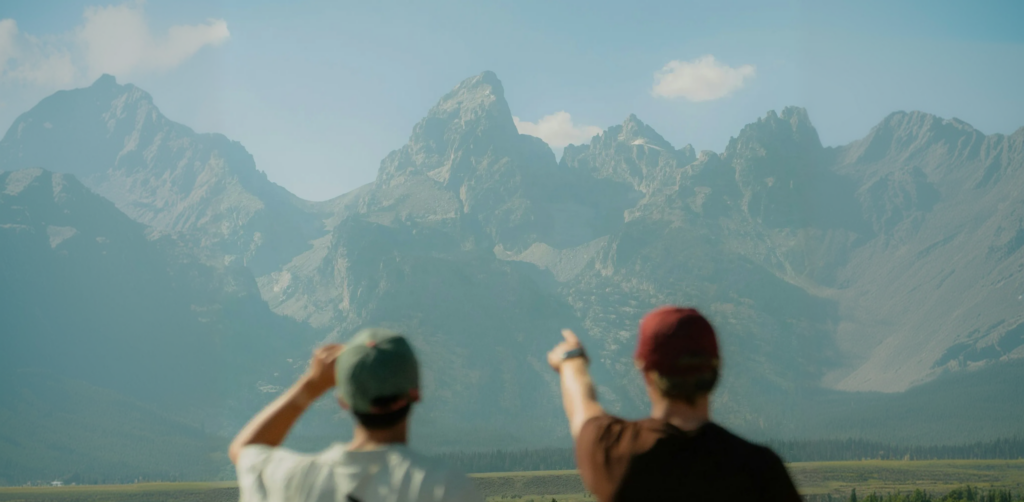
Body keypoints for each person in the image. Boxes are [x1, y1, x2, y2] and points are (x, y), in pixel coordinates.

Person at [547, 306, 801, 502]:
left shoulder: (616, 453)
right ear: (716, 369)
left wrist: (571, 359)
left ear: (645, 371)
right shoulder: (761, 470)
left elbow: (582, 408)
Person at [229, 328, 482, 502]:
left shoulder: (296, 479)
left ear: (343, 402)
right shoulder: (446, 487)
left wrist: (312, 384)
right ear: (416, 395)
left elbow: (245, 450)